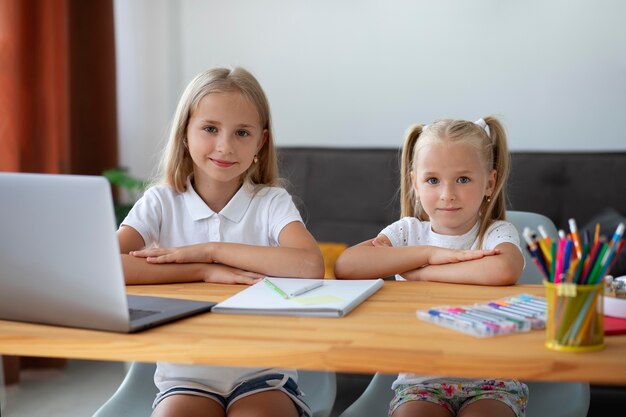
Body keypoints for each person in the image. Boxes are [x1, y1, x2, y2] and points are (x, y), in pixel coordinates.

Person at [117, 67, 324, 417]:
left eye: (242, 132)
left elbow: (309, 265)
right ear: (185, 133)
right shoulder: (161, 201)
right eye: (210, 129)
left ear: (260, 141)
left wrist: (213, 250)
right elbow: (106, 265)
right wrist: (203, 270)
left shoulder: (270, 201)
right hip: (186, 376)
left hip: (263, 374)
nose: (225, 146)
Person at [334, 117, 528, 417]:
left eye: (463, 179)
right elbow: (347, 266)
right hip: (421, 380)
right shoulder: (408, 233)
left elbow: (504, 270)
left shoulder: (494, 232)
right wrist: (427, 253)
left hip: (492, 379)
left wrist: (424, 272)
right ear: (415, 183)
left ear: (489, 182)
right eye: (433, 180)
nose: (446, 194)